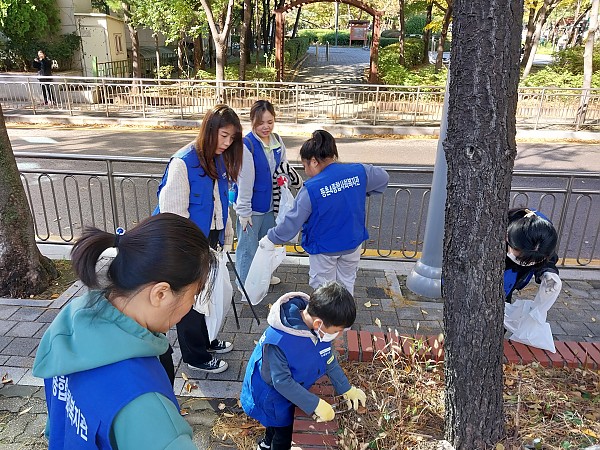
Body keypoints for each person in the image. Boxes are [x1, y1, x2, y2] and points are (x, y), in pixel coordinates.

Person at [32, 213, 216, 449]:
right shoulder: (147, 407)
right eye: (194, 295)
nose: (192, 306)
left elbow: (57, 423)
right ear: (160, 294)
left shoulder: (69, 323)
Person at [154, 104, 243, 374]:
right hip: (185, 245)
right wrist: (188, 253)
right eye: (223, 136)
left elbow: (220, 206)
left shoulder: (218, 159)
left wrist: (225, 238)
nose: (227, 143)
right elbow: (173, 216)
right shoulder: (183, 162)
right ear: (209, 130)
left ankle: (207, 340)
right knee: (189, 300)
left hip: (210, 239)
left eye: (232, 138)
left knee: (209, 295)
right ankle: (195, 355)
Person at [260, 129, 389, 295]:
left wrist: (271, 238)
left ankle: (326, 321)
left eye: (304, 165)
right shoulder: (358, 172)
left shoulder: (311, 189)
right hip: (352, 244)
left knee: (324, 294)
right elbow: (383, 178)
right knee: (346, 286)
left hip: (324, 249)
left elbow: (291, 223)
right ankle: (344, 320)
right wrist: (361, 189)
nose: (305, 171)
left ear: (313, 161)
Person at [240, 281, 366, 450]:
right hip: (271, 396)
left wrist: (346, 388)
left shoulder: (319, 329)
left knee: (276, 427)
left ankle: (266, 443)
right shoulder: (279, 340)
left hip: (287, 389)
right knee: (282, 433)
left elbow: (328, 360)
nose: (340, 334)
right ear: (318, 324)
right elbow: (282, 382)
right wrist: (315, 404)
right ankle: (270, 443)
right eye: (337, 330)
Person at [234, 100, 302, 289]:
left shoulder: (277, 140)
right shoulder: (247, 145)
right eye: (261, 123)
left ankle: (264, 277)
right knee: (248, 249)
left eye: (270, 122)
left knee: (267, 246)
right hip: (253, 208)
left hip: (273, 206)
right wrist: (244, 211)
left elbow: (283, 168)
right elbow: (244, 182)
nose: (266, 127)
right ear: (252, 122)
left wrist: (284, 181)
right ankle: (246, 285)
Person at [505, 207, 560, 303]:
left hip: (511, 283)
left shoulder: (544, 233)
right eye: (520, 258)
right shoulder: (496, 231)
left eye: (534, 260)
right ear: (507, 237)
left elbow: (549, 258)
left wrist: (547, 271)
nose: (527, 263)